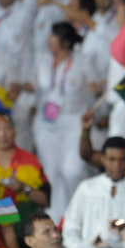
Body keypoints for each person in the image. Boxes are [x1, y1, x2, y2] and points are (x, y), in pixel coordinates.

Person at [33, 22, 100, 218]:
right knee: (51, 172)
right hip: (46, 123)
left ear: (65, 42)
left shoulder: (83, 61)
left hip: (74, 122)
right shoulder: (42, 59)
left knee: (72, 170)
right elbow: (34, 86)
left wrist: (96, 91)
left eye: (53, 36)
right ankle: (57, 218)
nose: (49, 40)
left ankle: (81, 212)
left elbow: (96, 89)